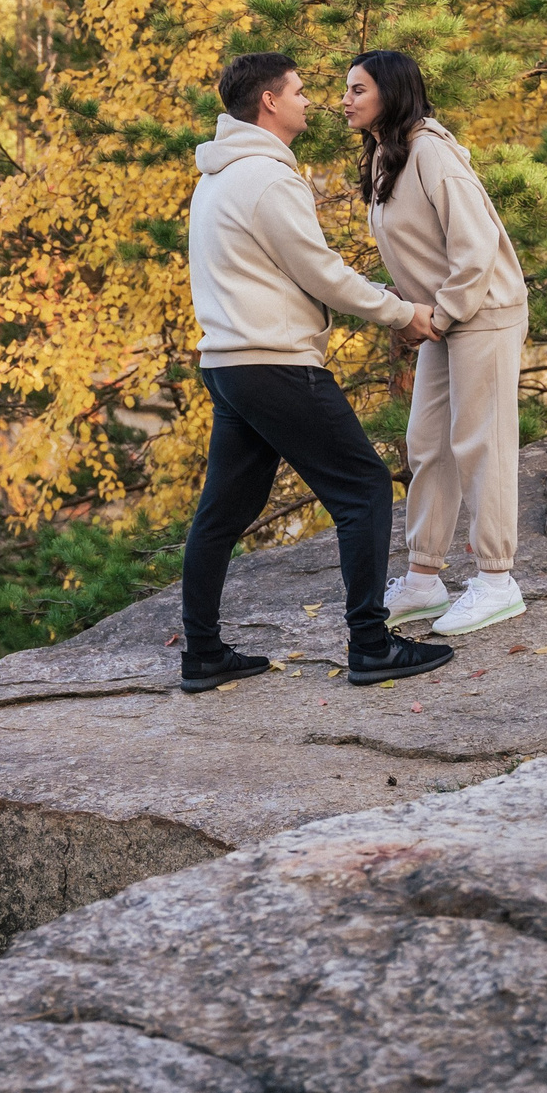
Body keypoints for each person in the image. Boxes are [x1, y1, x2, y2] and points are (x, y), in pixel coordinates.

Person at [177, 52, 456, 692]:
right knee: (362, 490)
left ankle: (202, 655)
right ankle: (371, 644)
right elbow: (321, 273)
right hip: (275, 362)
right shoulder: (267, 180)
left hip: (228, 365)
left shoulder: (216, 179)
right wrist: (401, 312)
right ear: (269, 103)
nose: (312, 101)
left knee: (221, 515)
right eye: (300, 92)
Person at [344, 49, 531, 638]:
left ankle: (498, 581)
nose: (344, 100)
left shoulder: (431, 151)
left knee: (481, 442)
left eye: (357, 89)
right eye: (345, 90)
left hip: (483, 312)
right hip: (445, 320)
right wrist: (411, 312)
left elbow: (474, 248)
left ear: (390, 93)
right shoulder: (385, 155)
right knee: (428, 443)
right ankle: (424, 578)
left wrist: (439, 315)